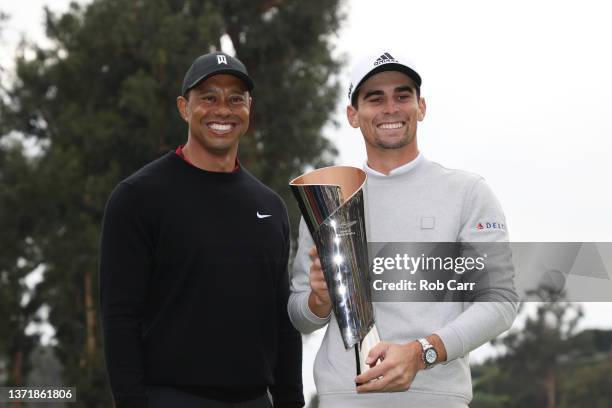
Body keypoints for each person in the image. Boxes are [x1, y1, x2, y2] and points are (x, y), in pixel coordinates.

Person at [288, 50, 518, 408]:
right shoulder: (327, 199)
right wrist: (319, 301)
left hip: (437, 397)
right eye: (375, 98)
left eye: (403, 95)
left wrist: (421, 353)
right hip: (344, 396)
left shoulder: (468, 192)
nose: (390, 108)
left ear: (421, 107)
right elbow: (301, 317)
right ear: (353, 115)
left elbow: (499, 303)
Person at [100, 51, 304, 408]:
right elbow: (120, 317)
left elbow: (280, 319)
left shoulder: (270, 206)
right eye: (208, 97)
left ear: (248, 108)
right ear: (184, 107)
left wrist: (291, 401)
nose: (222, 110)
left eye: (235, 99)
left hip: (256, 400)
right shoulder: (138, 197)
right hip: (170, 398)